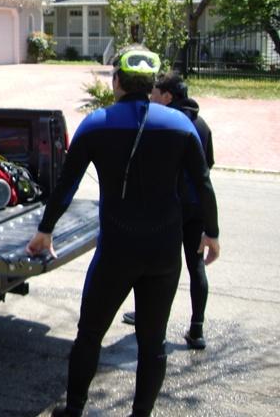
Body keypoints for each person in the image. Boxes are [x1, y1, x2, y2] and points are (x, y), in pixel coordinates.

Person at [26, 46, 220, 417]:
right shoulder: (181, 125)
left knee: (90, 334)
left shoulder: (96, 123)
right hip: (163, 251)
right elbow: (203, 184)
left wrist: (45, 230)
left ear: (116, 82)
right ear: (151, 85)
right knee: (153, 342)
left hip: (116, 249)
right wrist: (211, 232)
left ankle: (74, 410)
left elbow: (67, 184)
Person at [122, 72, 214, 350]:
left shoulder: (163, 124)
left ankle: (149, 320)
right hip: (197, 206)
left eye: (154, 92)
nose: (150, 97)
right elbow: (207, 167)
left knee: (154, 266)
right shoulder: (202, 125)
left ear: (167, 96)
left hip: (170, 208)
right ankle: (197, 329)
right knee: (196, 266)